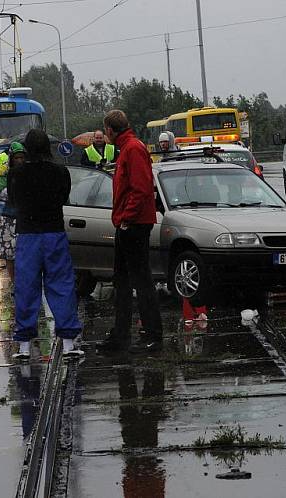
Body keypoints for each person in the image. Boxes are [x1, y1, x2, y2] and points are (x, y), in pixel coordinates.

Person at [8, 129, 83, 359]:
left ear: (28, 148)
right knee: (61, 284)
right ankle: (69, 342)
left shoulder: (16, 174)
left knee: (26, 287)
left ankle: (23, 344)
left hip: (28, 234)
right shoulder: (60, 171)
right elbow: (63, 198)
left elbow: (13, 200)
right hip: (53, 233)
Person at [100, 109, 163, 354]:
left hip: (133, 224)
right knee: (124, 281)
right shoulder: (128, 148)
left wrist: (126, 218)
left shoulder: (132, 149)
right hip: (129, 223)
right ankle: (121, 334)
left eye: (105, 129)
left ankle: (152, 334)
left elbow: (141, 188)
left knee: (140, 281)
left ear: (110, 129)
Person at [0, 142, 25, 284]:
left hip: (22, 219)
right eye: (16, 158)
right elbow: (1, 193)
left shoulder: (28, 173)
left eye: (21, 157)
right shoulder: (5, 172)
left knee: (23, 254)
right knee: (9, 255)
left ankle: (23, 281)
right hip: (7, 219)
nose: (19, 161)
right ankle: (14, 283)